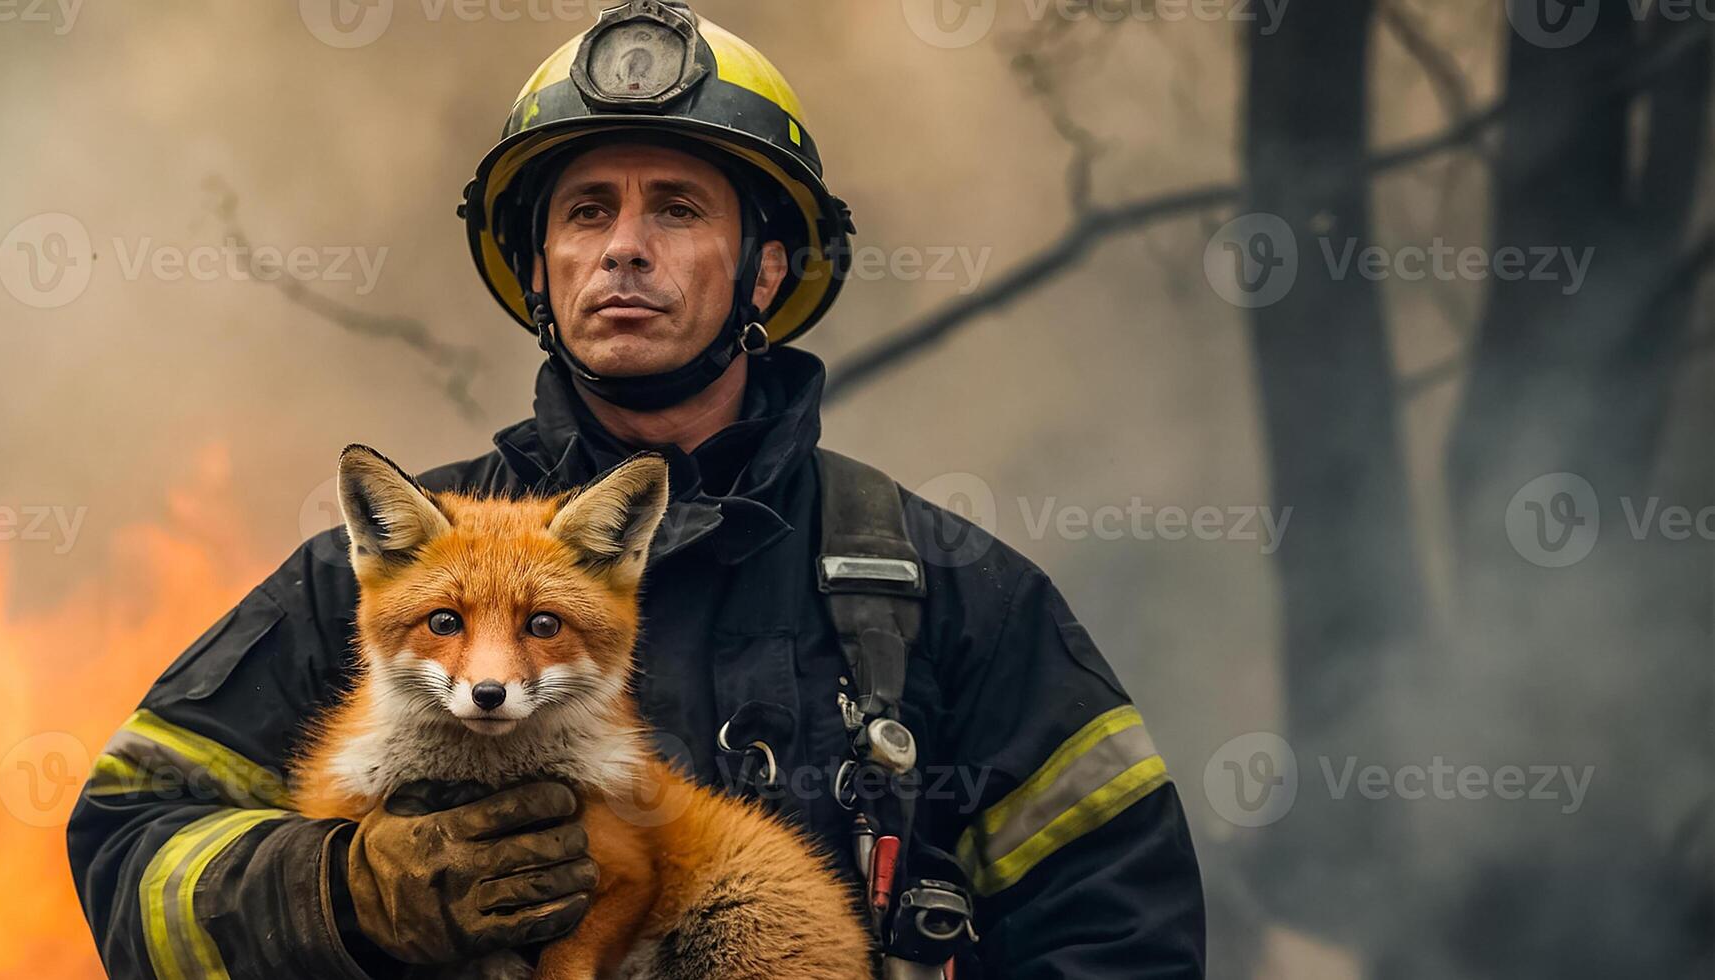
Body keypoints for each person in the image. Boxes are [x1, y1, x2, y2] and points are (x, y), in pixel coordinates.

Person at [68, 4, 1206, 976]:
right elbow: (126, 854)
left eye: (674, 207)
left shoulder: (947, 592)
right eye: (583, 212)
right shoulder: (379, 570)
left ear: (762, 264)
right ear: (538, 270)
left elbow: (1121, 923)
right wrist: (345, 893)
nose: (622, 249)